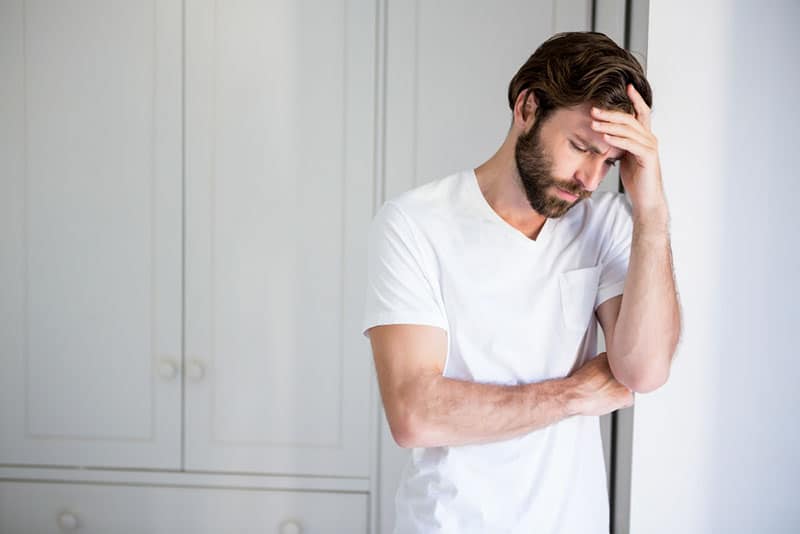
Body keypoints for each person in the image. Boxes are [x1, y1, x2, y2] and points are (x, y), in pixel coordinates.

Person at [360, 31, 681, 533]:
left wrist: (653, 211)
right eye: (580, 146)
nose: (591, 180)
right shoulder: (414, 223)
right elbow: (415, 414)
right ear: (528, 108)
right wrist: (573, 394)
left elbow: (643, 371)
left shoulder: (610, 222)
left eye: (610, 162)